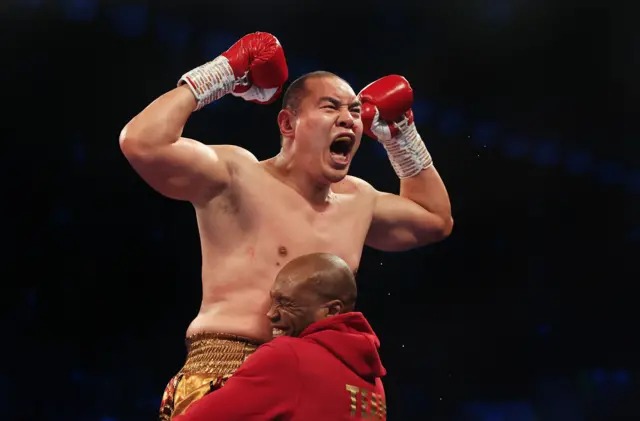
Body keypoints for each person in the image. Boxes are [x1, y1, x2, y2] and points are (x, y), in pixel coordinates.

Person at [119, 31, 452, 420]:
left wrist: (400, 135)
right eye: (331, 107)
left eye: (356, 112)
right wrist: (223, 71)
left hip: (312, 383)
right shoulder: (236, 176)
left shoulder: (359, 201)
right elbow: (142, 142)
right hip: (226, 370)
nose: (348, 118)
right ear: (288, 123)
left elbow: (434, 219)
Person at [173, 252, 387, 421]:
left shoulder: (288, 356)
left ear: (331, 311)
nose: (271, 314)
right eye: (273, 301)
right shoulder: (374, 381)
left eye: (286, 304)